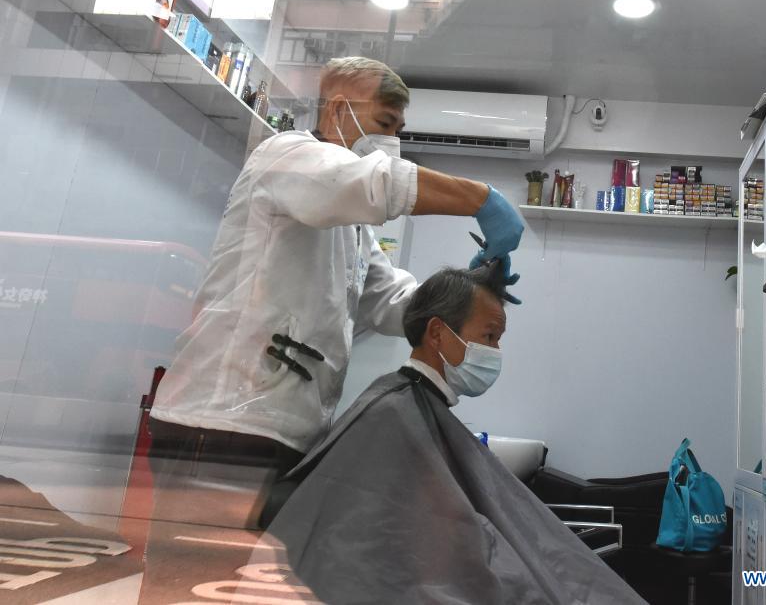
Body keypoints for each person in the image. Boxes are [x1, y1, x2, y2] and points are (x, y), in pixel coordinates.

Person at [145, 57, 524, 529]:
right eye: (384, 123)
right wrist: (482, 199)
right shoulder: (287, 156)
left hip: (284, 432)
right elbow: (373, 183)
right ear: (338, 111)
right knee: (191, 587)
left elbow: (390, 300)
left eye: (399, 128)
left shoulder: (353, 231)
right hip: (221, 422)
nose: (393, 142)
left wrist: (467, 292)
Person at [256, 263, 646, 605]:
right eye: (490, 336)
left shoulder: (408, 404)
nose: (495, 351)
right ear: (438, 334)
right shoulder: (393, 413)